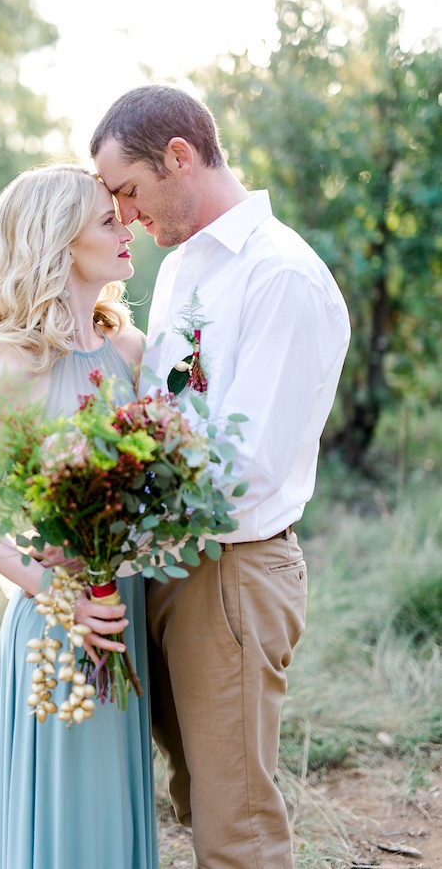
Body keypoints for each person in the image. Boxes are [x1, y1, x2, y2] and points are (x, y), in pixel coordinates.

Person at [91, 86, 351, 869]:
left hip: (232, 572)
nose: (126, 216)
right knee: (195, 794)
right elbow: (163, 411)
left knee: (236, 825)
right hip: (167, 564)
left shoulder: (281, 278)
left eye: (128, 191)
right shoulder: (181, 273)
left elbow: (246, 468)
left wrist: (120, 506)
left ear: (180, 157)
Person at [0, 165, 159, 869]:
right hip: (57, 623)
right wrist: (59, 595)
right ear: (61, 243)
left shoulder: (131, 353)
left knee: (113, 814)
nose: (126, 226)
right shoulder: (13, 369)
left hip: (122, 606)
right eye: (108, 220)